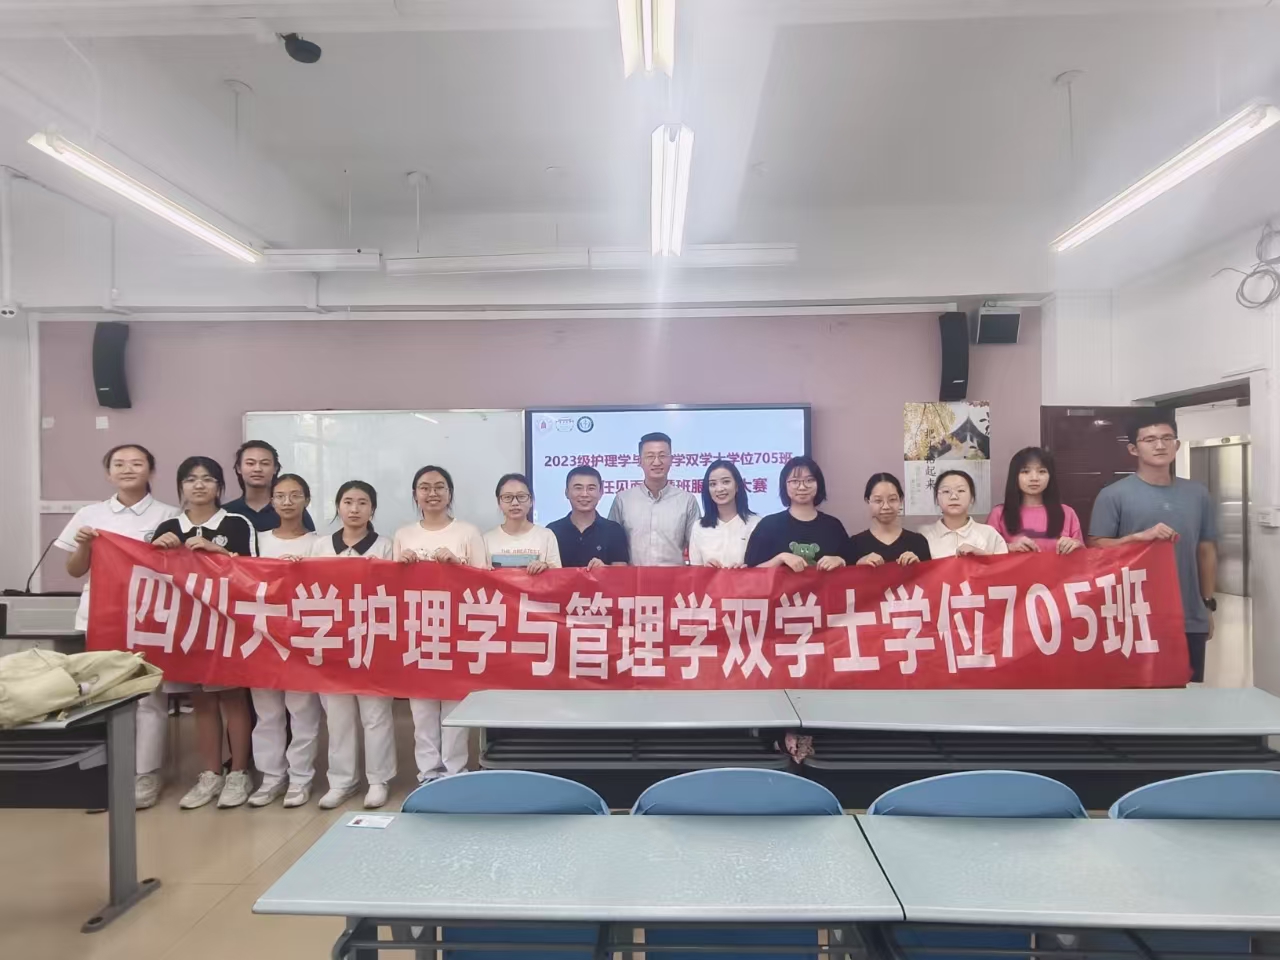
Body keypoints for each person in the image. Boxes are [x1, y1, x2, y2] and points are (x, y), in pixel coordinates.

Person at [54, 443, 180, 810]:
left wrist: (168, 548)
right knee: (101, 695)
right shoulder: (90, 514)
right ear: (108, 473)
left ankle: (145, 773)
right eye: (119, 464)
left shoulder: (169, 514)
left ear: (151, 472)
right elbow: (75, 570)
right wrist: (83, 545)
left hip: (149, 616)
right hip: (101, 615)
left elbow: (179, 570)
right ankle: (106, 771)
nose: (127, 469)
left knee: (149, 697)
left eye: (137, 463)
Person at [151, 457, 258, 810]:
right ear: (180, 486)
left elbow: (254, 573)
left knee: (233, 698)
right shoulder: (169, 526)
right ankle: (210, 773)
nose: (199, 485)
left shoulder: (236, 523)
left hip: (227, 626)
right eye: (191, 479)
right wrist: (159, 550)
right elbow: (151, 576)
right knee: (201, 702)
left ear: (220, 486)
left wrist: (219, 551)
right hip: (186, 627)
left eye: (208, 479)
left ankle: (238, 771)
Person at [1088, 409, 1217, 683]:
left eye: (1167, 438)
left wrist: (1207, 604)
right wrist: (1135, 538)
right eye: (1150, 439)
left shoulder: (1198, 494)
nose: (1160, 445)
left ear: (1177, 445)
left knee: (1189, 697)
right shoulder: (1113, 495)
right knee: (1139, 697)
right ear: (1133, 449)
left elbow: (1205, 550)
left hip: (1188, 616)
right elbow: (1096, 549)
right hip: (1134, 617)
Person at [395, 466, 488, 783]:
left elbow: (486, 585)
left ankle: (454, 773)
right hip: (417, 632)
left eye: (439, 487)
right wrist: (402, 567)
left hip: (457, 631)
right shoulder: (403, 534)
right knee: (421, 711)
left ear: (450, 493)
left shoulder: (468, 532)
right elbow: (392, 589)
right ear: (415, 495)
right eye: (424, 487)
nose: (432, 493)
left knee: (454, 708)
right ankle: (427, 774)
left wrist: (457, 566)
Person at [309, 480, 398, 809]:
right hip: (331, 641)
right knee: (337, 716)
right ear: (338, 507)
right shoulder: (320, 546)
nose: (355, 509)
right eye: (348, 502)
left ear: (372, 509)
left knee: (375, 715)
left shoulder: (385, 546)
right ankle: (342, 781)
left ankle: (378, 779)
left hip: (373, 641)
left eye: (362, 503)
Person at [248, 474, 321, 808]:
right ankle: (271, 777)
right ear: (271, 501)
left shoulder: (318, 544)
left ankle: (301, 777)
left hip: (302, 640)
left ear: (307, 499)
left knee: (302, 712)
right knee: (267, 713)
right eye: (280, 496)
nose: (287, 502)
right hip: (262, 636)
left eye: (295, 495)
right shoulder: (257, 540)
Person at [608, 432, 700, 565]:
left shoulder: (687, 501)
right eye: (650, 456)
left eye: (662, 456)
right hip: (634, 577)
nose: (657, 462)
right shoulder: (622, 500)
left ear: (671, 460)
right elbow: (612, 546)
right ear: (640, 461)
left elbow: (697, 547)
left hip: (675, 577)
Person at [744, 456, 850, 571]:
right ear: (784, 485)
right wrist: (780, 559)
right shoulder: (768, 525)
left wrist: (840, 560)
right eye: (794, 481)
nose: (802, 487)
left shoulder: (833, 526)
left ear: (819, 484)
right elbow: (750, 572)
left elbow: (853, 567)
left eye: (809, 480)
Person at [987, 447, 1084, 554]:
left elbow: (1083, 557)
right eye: (1025, 471)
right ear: (1015, 476)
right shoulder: (999, 514)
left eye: (1042, 471)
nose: (1034, 478)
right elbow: (986, 554)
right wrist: (1008, 547)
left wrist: (1076, 545)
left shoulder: (1067, 513)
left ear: (1050, 476)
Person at [222, 439, 316, 533]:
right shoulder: (226, 513)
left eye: (265, 463)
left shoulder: (290, 509)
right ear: (239, 468)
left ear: (275, 468)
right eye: (250, 463)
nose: (257, 469)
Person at [548, 466, 630, 569]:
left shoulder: (613, 530)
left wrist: (605, 569)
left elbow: (621, 572)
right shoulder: (552, 531)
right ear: (566, 492)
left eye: (591, 488)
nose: (584, 494)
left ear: (601, 492)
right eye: (578, 488)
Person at [919, 469, 1009, 559]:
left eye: (961, 490)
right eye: (946, 491)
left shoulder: (989, 534)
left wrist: (984, 556)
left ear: (972, 498)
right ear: (937, 499)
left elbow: (1004, 565)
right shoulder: (923, 536)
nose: (953, 497)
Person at [848, 472, 931, 566]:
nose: (886, 506)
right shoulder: (854, 544)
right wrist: (858, 566)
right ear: (868, 501)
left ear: (901, 500)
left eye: (892, 499)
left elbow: (929, 574)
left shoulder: (918, 542)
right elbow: (844, 574)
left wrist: (918, 566)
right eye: (878, 500)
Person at [689, 459, 760, 567]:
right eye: (713, 484)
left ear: (737, 486)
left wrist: (748, 569)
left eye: (726, 482)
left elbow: (764, 568)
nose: (719, 489)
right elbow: (695, 570)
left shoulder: (756, 524)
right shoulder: (699, 527)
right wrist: (705, 569)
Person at [484, 473, 561, 572]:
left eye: (521, 496)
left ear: (531, 500)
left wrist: (546, 567)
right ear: (499, 502)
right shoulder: (486, 539)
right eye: (507, 497)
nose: (515, 503)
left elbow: (557, 576)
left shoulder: (546, 536)